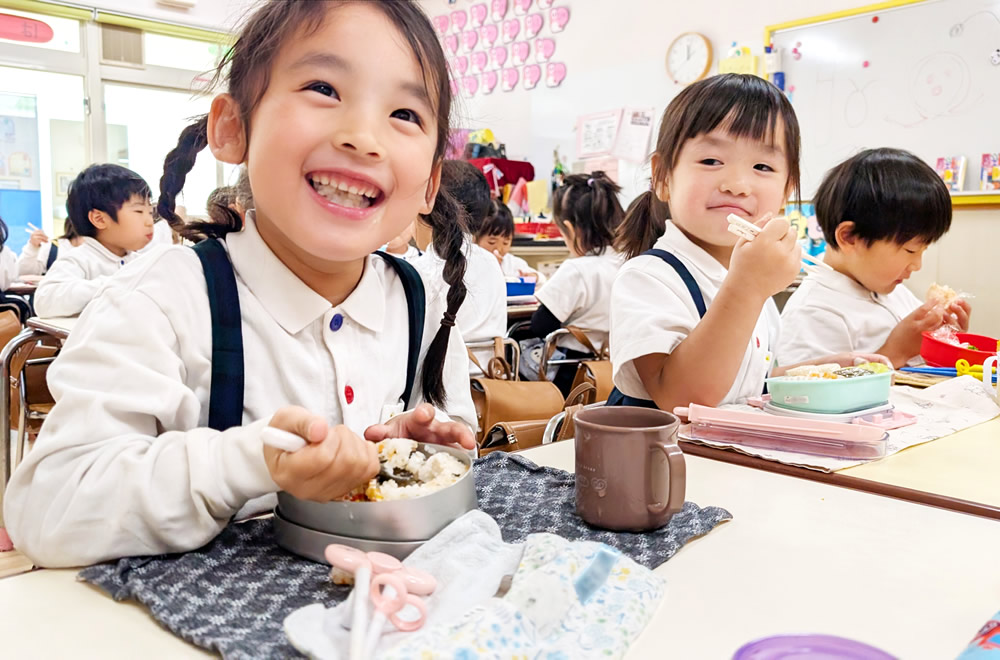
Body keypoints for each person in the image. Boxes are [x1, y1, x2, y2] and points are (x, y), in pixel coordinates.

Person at [5, 0, 475, 567]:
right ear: (232, 128)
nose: (363, 137)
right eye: (324, 88)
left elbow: (451, 431)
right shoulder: (161, 301)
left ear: (429, 184)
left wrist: (406, 451)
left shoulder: (421, 299)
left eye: (405, 114)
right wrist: (249, 462)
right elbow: (50, 510)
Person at [609, 74, 885, 412]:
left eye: (762, 166)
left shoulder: (752, 285)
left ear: (787, 189)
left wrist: (812, 371)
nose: (738, 185)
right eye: (711, 161)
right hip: (656, 460)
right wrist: (747, 287)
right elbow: (683, 399)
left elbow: (741, 386)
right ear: (663, 177)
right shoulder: (648, 277)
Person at [776, 148, 968, 368]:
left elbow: (924, 366)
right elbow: (807, 391)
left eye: (923, 251)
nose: (917, 265)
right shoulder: (813, 310)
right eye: (910, 251)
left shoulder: (896, 293)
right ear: (849, 237)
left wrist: (947, 341)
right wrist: (896, 352)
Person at [528, 171, 624, 395]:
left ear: (570, 229)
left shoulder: (577, 270)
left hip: (570, 376)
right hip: (613, 371)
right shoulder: (627, 262)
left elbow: (540, 325)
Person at [413, 159, 506, 375]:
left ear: (428, 206)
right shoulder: (491, 263)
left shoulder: (419, 271)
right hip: (489, 385)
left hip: (431, 394)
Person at [34, 163, 155, 317]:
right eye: (139, 211)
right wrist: (113, 283)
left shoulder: (141, 262)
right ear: (99, 219)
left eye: (151, 212)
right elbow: (44, 301)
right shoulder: (78, 260)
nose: (149, 221)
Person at [475, 200, 546, 284]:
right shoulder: (473, 262)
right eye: (492, 242)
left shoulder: (513, 263)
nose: (499, 249)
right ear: (475, 238)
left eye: (505, 243)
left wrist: (534, 277)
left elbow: (542, 280)